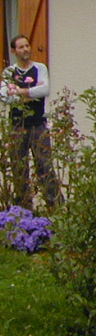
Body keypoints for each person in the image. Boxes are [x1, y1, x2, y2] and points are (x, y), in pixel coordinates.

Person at [1, 34, 63, 208]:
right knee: (19, 169)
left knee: (45, 167)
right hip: (17, 127)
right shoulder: (9, 72)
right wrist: (29, 93)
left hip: (38, 126)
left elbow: (44, 89)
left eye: (27, 46)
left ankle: (56, 208)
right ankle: (23, 209)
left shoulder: (39, 68)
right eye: (21, 47)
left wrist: (21, 92)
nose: (26, 49)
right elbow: (5, 96)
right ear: (14, 51)